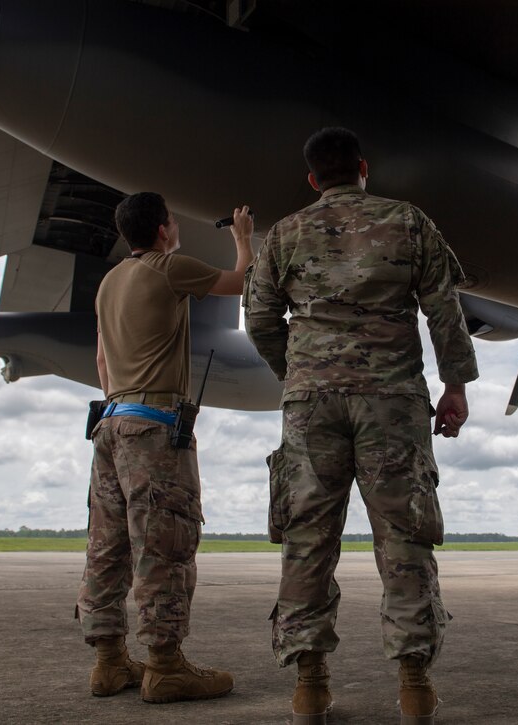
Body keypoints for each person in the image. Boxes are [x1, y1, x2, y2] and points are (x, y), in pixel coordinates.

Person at [243, 127, 479, 724]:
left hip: (311, 403)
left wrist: (296, 374)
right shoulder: (408, 220)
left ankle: (310, 689)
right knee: (404, 538)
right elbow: (444, 307)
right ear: (364, 168)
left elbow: (260, 316)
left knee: (307, 541)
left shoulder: (284, 234)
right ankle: (414, 689)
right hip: (391, 400)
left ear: (312, 178)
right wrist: (454, 386)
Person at [76, 192, 252, 703]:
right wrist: (242, 239)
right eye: (173, 222)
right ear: (162, 230)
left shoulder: (109, 282)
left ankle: (109, 664)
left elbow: (103, 362)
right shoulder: (170, 268)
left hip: (110, 423)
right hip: (153, 428)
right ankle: (165, 667)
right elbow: (239, 282)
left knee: (106, 548)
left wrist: (122, 405)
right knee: (164, 547)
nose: (176, 228)